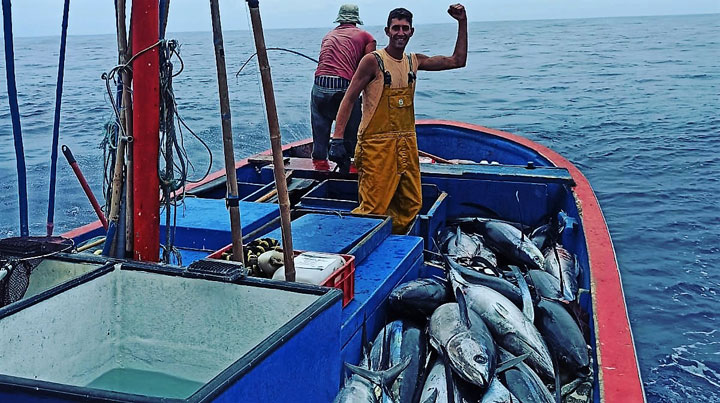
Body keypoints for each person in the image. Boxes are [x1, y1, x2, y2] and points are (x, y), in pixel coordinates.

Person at [329, 4, 467, 234]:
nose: (400, 33)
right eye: (396, 28)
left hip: (406, 145)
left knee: (410, 203)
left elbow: (457, 61)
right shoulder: (373, 61)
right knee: (373, 207)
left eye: (405, 28)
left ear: (411, 31)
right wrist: (337, 139)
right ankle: (356, 253)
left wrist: (462, 22)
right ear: (387, 31)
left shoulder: (414, 61)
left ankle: (394, 247)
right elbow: (349, 98)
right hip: (376, 146)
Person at [311, 4, 376, 168]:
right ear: (356, 19)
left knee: (320, 136)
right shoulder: (367, 37)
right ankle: (350, 169)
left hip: (319, 86)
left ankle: (318, 167)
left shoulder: (328, 36)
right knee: (351, 136)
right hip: (343, 87)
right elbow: (369, 69)